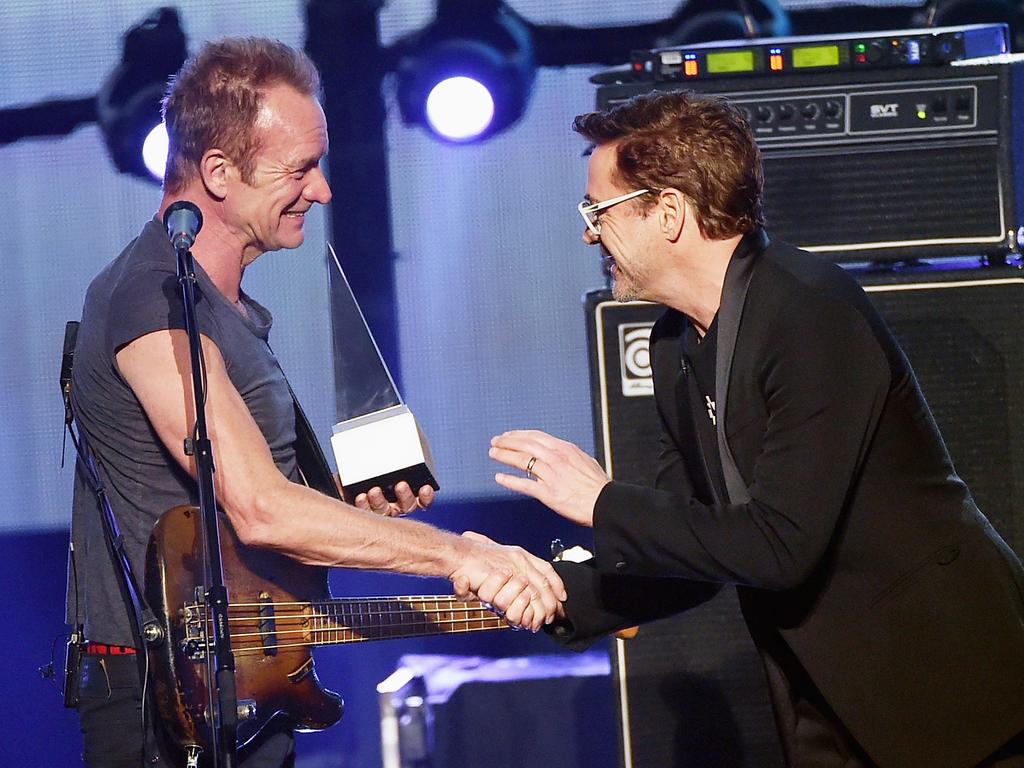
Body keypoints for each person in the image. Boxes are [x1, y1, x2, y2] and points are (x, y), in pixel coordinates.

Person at [67, 37, 564, 768]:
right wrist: (462, 556)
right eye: (299, 169)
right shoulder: (150, 295)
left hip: (239, 690)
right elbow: (261, 507)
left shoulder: (228, 313)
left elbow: (248, 518)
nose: (323, 189)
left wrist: (346, 508)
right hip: (163, 707)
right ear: (217, 173)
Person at [488, 91, 1024, 767]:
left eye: (598, 211)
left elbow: (782, 544)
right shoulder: (672, 343)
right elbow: (694, 549)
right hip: (828, 705)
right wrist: (555, 594)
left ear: (671, 211)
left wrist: (600, 500)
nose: (590, 233)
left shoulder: (810, 313)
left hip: (953, 695)